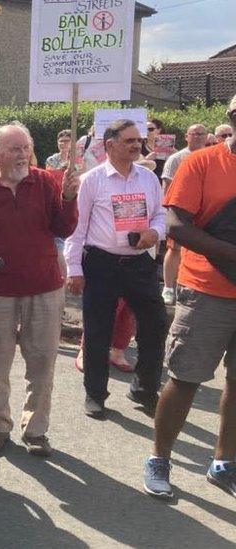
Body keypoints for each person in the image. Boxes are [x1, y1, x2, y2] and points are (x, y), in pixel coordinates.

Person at [0, 123, 79, 456]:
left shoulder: (46, 182)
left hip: (44, 288)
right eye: (14, 148)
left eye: (26, 147)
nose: (23, 154)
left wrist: (69, 198)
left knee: (42, 363)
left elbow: (64, 228)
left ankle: (36, 430)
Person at [144, 95, 236, 500]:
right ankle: (159, 459)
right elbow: (177, 225)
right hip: (207, 289)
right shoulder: (203, 162)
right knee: (185, 378)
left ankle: (224, 462)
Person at [65, 119, 168, 419]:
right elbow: (76, 228)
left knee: (156, 323)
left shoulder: (148, 179)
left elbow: (160, 215)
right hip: (101, 264)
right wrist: (74, 268)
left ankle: (145, 388)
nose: (137, 145)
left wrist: (154, 233)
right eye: (129, 141)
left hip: (139, 265)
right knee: (98, 331)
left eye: (138, 140)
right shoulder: (92, 180)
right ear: (109, 145)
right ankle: (95, 394)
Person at [160, 124, 209, 306]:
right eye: (193, 133)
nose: (197, 136)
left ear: (206, 136)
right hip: (182, 214)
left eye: (200, 133)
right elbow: (167, 188)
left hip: (204, 216)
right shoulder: (176, 159)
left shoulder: (211, 157)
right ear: (186, 136)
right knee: (174, 250)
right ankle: (168, 287)